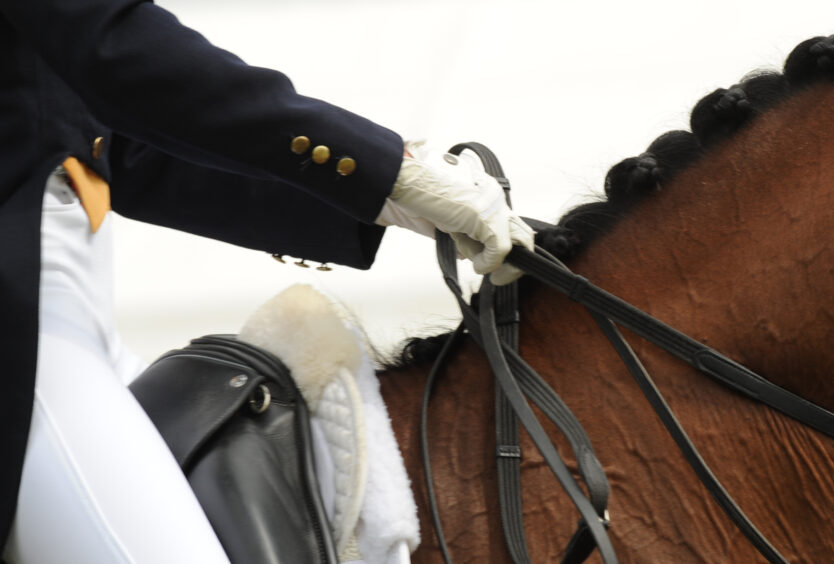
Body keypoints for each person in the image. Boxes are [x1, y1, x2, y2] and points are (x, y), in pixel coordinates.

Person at [0, 0, 534, 561]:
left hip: (72, 308)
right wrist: (379, 169)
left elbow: (115, 144)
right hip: (26, 330)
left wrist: (370, 199)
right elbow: (113, 49)